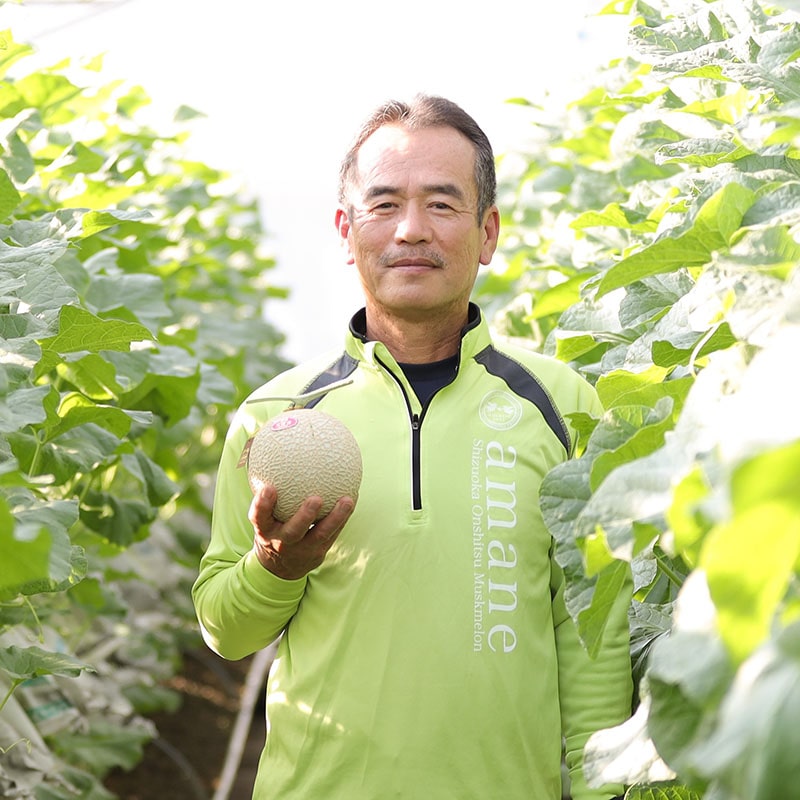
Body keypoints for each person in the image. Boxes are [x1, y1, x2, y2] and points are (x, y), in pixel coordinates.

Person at [192, 94, 632, 800]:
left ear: (487, 233)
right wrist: (276, 566)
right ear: (347, 231)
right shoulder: (277, 417)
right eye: (385, 204)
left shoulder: (563, 407)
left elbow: (594, 636)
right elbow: (225, 631)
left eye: (442, 204)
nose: (411, 230)